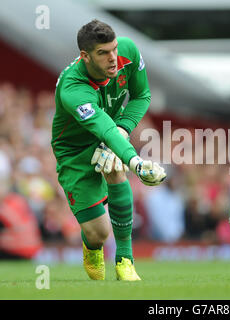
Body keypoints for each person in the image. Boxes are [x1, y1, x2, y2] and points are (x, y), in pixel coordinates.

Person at [51, 20, 166, 281]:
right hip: (74, 150)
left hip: (112, 130)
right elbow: (103, 128)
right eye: (103, 53)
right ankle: (91, 246)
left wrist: (124, 129)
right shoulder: (73, 89)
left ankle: (125, 260)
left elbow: (142, 95)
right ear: (85, 56)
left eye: (113, 49)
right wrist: (137, 162)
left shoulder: (129, 52)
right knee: (98, 234)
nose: (113, 58)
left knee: (114, 166)